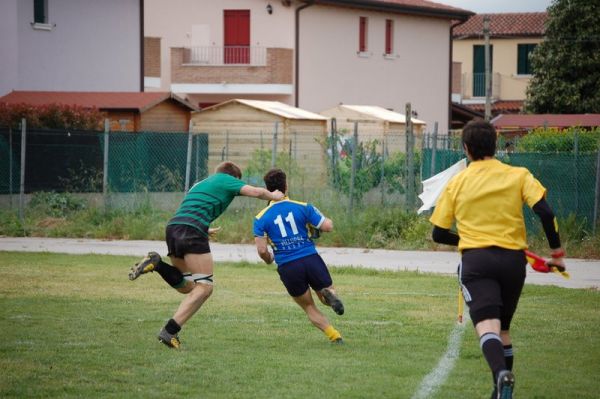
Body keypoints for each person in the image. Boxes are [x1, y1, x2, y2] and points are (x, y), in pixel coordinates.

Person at [429, 120, 567, 399]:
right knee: (503, 328)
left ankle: (501, 375)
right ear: (495, 145)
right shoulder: (518, 175)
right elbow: (546, 213)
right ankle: (499, 392)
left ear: (466, 148)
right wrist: (557, 254)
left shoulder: (457, 182)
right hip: (514, 262)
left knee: (487, 328)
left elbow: (438, 233)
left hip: (477, 262)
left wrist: (468, 240)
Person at [128, 161, 284, 349]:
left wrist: (204, 226)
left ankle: (157, 264)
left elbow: (193, 206)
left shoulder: (200, 183)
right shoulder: (227, 179)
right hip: (192, 231)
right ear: (233, 177)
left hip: (174, 227)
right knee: (205, 287)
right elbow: (256, 192)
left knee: (188, 287)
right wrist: (274, 195)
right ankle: (169, 331)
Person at [253, 168, 345, 344]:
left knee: (309, 306)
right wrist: (316, 222)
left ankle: (334, 335)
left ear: (267, 189)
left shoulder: (260, 217)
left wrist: (269, 259)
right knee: (326, 294)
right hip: (310, 258)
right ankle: (329, 295)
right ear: (286, 186)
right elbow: (328, 226)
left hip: (288, 266)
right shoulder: (303, 207)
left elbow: (262, 250)